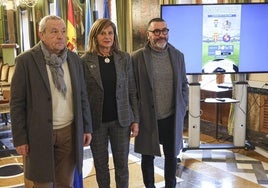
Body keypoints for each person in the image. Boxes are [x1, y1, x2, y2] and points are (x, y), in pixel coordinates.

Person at [10, 15, 92, 187]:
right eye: (54, 32)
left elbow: (82, 96)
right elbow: (17, 103)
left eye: (63, 31)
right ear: (42, 35)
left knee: (65, 183)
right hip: (38, 134)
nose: (61, 36)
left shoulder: (74, 59)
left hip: (69, 131)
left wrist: (86, 127)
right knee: (43, 184)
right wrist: (20, 138)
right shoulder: (26, 61)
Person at [81, 18, 139, 188]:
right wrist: (85, 125)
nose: (107, 37)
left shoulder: (124, 58)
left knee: (122, 165)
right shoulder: (85, 61)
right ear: (95, 36)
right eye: (102, 33)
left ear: (114, 36)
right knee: (101, 166)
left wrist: (135, 119)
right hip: (96, 122)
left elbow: (131, 90)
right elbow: (82, 96)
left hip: (121, 121)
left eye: (110, 33)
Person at [131, 18, 189, 188]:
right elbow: (132, 91)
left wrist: (183, 106)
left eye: (164, 31)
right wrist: (135, 118)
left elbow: (184, 85)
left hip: (171, 117)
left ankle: (170, 185)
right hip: (148, 118)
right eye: (156, 31)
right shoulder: (136, 58)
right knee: (147, 156)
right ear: (148, 35)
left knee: (171, 157)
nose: (161, 35)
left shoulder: (178, 56)